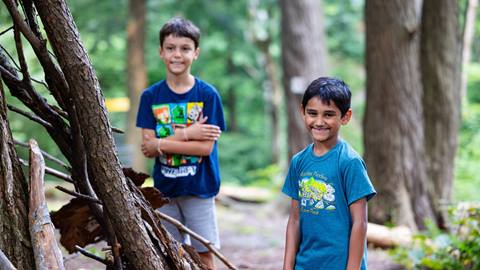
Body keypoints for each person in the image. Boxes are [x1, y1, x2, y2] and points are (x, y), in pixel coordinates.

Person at [136, 16, 225, 270]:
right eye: (171, 48)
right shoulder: (150, 96)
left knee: (203, 255)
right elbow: (147, 145)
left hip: (200, 188)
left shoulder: (207, 95)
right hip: (164, 191)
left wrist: (161, 144)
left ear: (195, 53)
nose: (178, 55)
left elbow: (205, 148)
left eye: (185, 49)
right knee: (169, 256)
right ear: (161, 52)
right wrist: (189, 133)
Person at [282, 77, 376, 270]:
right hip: (305, 264)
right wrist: (287, 266)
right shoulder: (299, 162)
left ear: (345, 116)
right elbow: (294, 220)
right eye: (312, 113)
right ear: (302, 112)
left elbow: (360, 223)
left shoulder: (350, 162)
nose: (319, 122)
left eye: (328, 115)